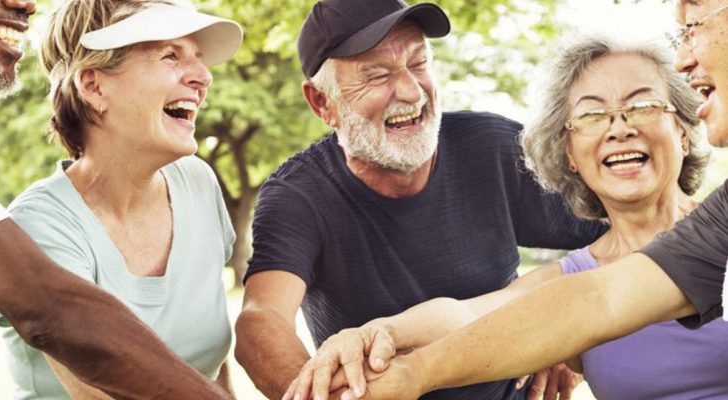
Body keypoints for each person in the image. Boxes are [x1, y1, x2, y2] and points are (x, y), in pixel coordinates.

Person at [312, 2, 728, 398]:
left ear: (685, 128)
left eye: (641, 106)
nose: (619, 128)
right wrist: (381, 332)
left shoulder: (718, 229)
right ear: (568, 153)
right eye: (591, 114)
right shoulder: (574, 283)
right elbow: (475, 315)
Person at [234, 1, 605, 399]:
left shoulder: (493, 149)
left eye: (419, 63)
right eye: (376, 75)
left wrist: (572, 334)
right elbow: (262, 318)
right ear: (323, 103)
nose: (411, 92)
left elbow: (639, 231)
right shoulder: (298, 194)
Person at [1, 0, 242, 398]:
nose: (203, 77)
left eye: (198, 58)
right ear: (94, 86)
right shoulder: (39, 226)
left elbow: (208, 366)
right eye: (170, 55)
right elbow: (98, 388)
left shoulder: (198, 184)